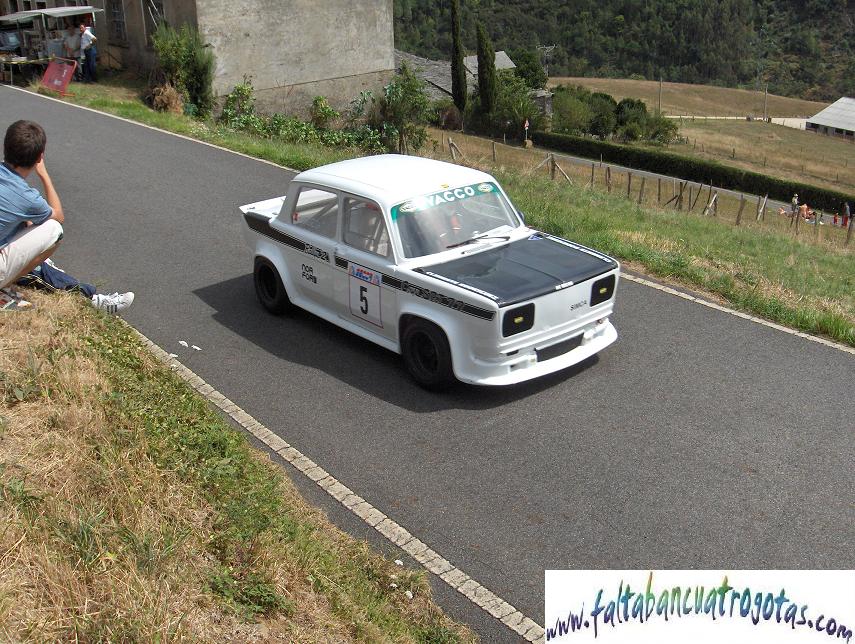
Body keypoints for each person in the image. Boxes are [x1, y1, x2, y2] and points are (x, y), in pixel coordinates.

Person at [0, 120, 133, 312]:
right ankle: (92, 298)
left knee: (26, 223)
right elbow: (58, 216)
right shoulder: (25, 196)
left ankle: (89, 295)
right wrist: (44, 175)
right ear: (39, 157)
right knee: (53, 231)